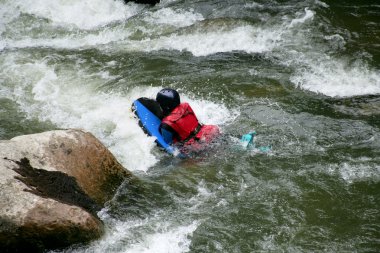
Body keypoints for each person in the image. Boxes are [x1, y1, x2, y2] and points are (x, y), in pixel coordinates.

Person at [156, 88, 220, 151]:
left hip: (196, 146)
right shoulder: (185, 106)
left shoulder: (166, 125)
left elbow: (169, 143)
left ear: (165, 107)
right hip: (209, 131)